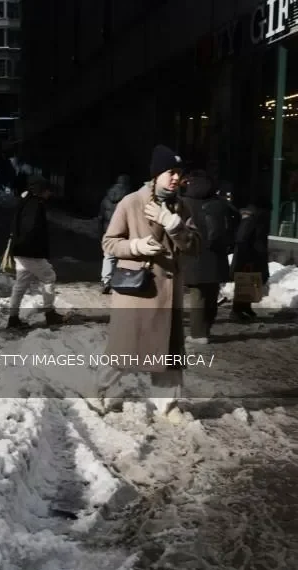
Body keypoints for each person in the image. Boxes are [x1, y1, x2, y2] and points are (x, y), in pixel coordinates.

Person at [101, 144, 200, 418]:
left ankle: (168, 406)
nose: (176, 178)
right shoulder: (131, 202)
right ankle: (103, 393)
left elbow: (194, 246)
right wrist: (136, 247)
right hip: (138, 291)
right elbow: (109, 243)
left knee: (168, 353)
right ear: (156, 174)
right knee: (125, 350)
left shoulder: (182, 206)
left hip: (169, 294)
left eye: (179, 173)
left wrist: (173, 224)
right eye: (171, 172)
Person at [178, 170, 231, 343]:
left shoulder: (184, 203)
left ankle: (198, 334)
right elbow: (236, 219)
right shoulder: (220, 203)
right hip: (217, 256)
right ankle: (206, 329)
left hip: (195, 255)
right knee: (211, 294)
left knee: (198, 296)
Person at [7, 175, 64, 329]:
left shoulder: (24, 201)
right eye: (48, 191)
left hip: (20, 250)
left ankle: (13, 317)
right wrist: (34, 246)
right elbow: (31, 228)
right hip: (30, 251)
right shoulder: (35, 205)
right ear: (41, 191)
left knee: (21, 284)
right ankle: (50, 314)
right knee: (49, 277)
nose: (49, 194)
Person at [230, 200, 271, 321]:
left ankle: (246, 307)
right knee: (244, 283)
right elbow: (242, 239)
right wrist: (246, 258)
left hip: (255, 256)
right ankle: (236, 310)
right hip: (248, 257)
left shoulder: (257, 220)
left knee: (252, 283)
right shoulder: (250, 220)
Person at [99, 175, 132, 293]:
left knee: (108, 256)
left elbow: (101, 217)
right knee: (124, 256)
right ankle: (122, 282)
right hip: (124, 230)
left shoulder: (106, 198)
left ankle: (106, 281)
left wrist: (100, 231)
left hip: (108, 230)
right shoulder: (129, 198)